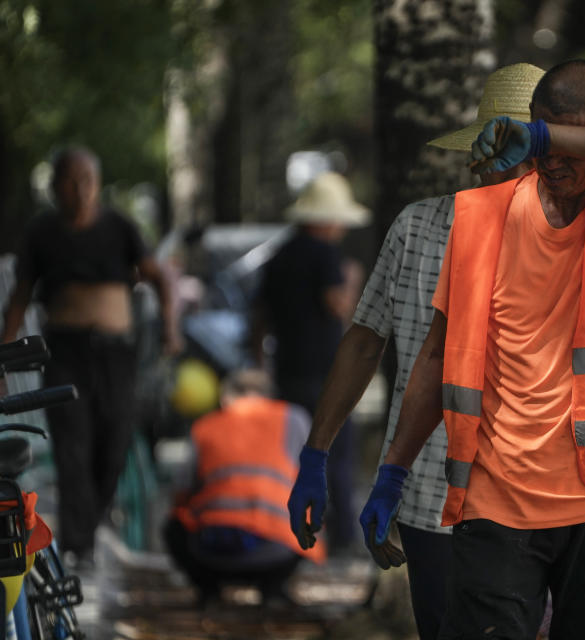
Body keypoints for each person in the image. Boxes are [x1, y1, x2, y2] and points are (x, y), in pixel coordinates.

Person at [358, 59, 585, 639]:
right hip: (497, 494)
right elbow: (436, 357)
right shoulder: (479, 217)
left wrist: (543, 137)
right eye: (540, 136)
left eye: (569, 142)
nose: (553, 161)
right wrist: (393, 472)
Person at [287, 63, 546, 640]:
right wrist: (316, 456)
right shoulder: (420, 228)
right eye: (492, 151)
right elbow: (364, 341)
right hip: (432, 493)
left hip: (534, 496)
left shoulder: (565, 238)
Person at [0, 146, 181, 569]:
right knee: (72, 445)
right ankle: (80, 545)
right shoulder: (42, 232)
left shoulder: (119, 226)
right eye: (71, 180)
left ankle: (92, 525)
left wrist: (171, 326)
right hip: (65, 351)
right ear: (56, 186)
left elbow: (159, 277)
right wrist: (4, 358)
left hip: (116, 355)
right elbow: (20, 298)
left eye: (88, 180)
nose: (80, 189)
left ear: (97, 184)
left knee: (115, 443)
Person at [253, 171, 369, 554]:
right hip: (327, 373)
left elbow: (259, 317)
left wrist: (259, 364)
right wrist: (352, 280)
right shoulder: (326, 256)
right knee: (335, 455)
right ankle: (341, 542)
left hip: (288, 372)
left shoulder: (279, 255)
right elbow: (339, 307)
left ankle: (290, 537)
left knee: (293, 455)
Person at [164, 369, 323, 605]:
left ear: (226, 398)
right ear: (269, 396)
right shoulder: (294, 418)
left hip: (212, 554)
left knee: (174, 524)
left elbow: (182, 491)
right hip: (276, 553)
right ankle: (273, 589)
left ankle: (209, 592)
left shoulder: (205, 426)